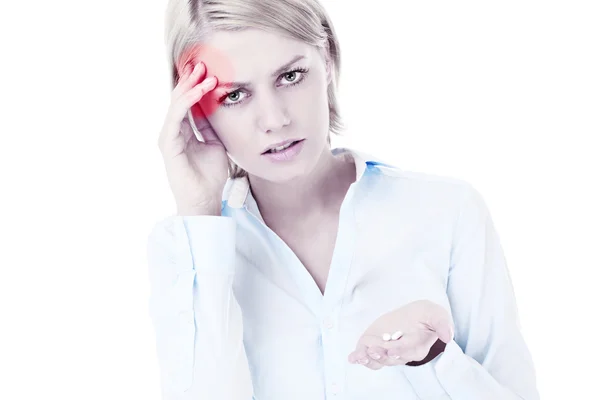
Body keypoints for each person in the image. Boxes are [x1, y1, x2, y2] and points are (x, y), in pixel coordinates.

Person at [146, 0, 540, 399]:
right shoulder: (186, 250)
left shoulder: (447, 212)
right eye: (234, 96)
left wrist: (436, 358)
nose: (275, 119)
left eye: (291, 75)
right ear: (196, 110)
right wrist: (200, 216)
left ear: (328, 59)